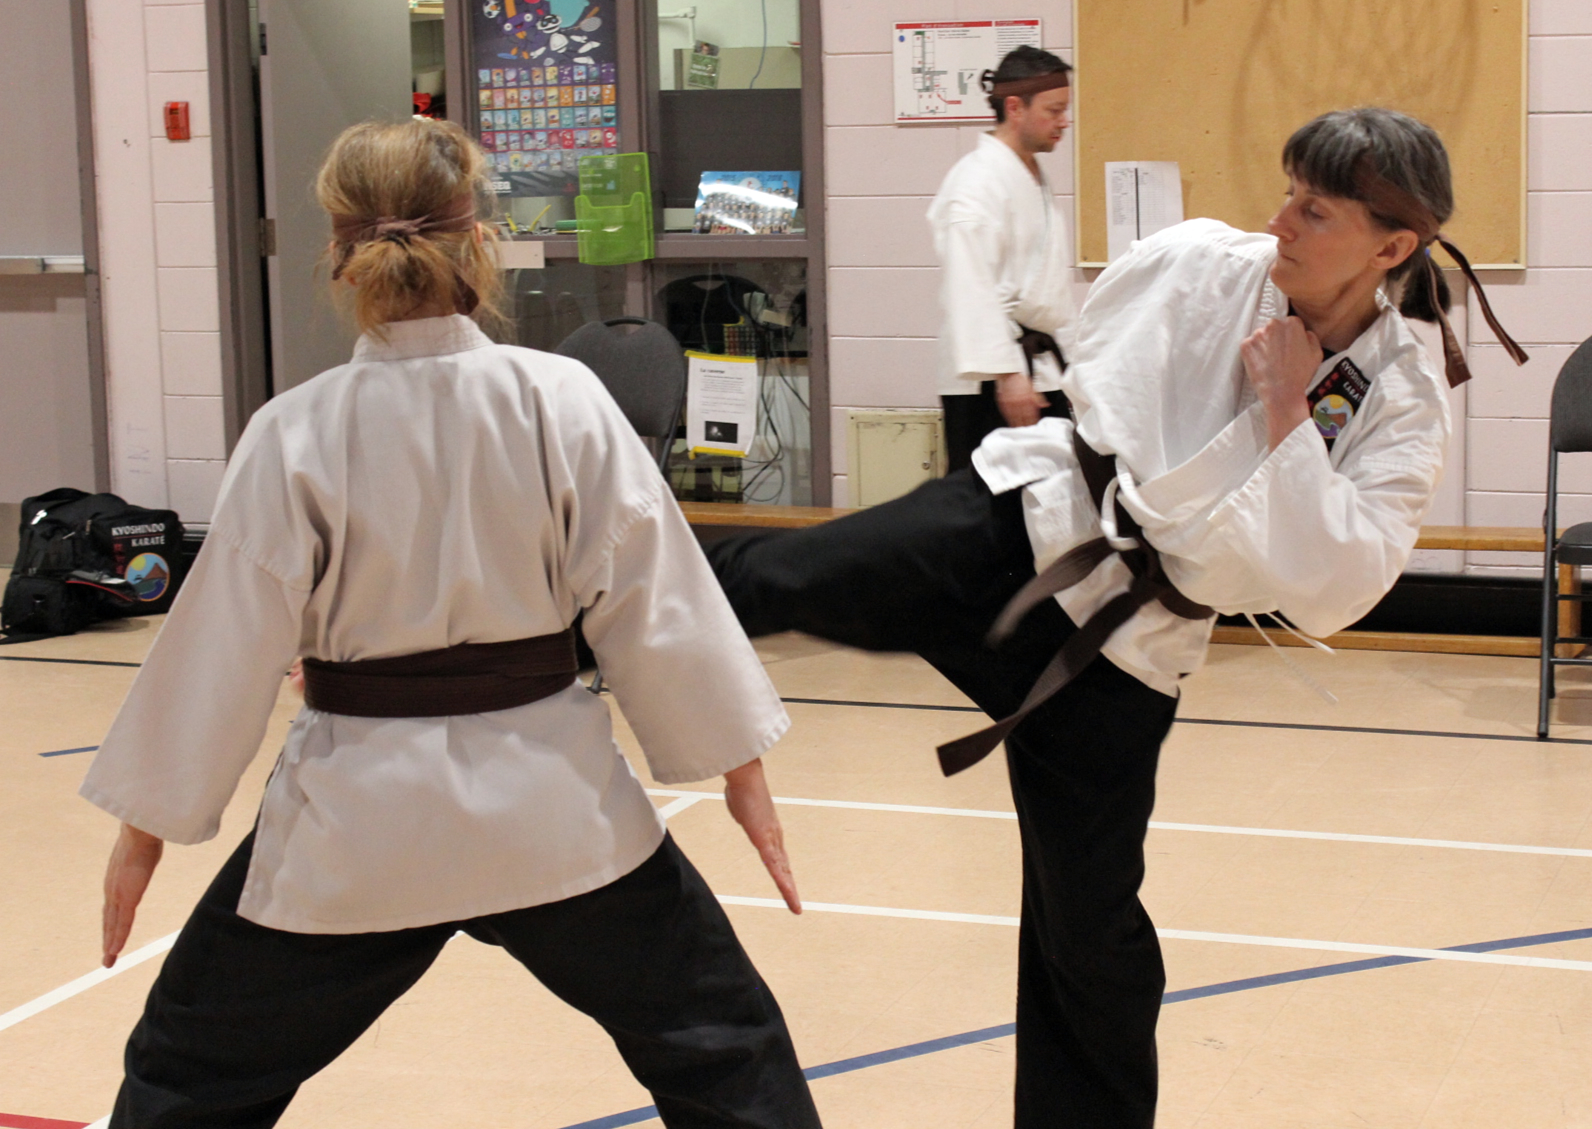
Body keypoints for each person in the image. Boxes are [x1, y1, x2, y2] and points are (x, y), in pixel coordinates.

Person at [709, 107, 1526, 1127]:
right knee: (774, 578)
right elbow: (1101, 364)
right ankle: (559, 613)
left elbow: (1339, 584)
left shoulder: (1399, 392)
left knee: (1088, 932)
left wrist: (1287, 418)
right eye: (1287, 192)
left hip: (1125, 646)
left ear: (1390, 248)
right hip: (1019, 531)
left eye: (1314, 211)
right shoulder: (1203, 262)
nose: (1280, 220)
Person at [81, 119, 822, 1129]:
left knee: (189, 1073)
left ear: (338, 253)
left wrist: (144, 830)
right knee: (727, 1051)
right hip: (554, 810)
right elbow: (656, 599)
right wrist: (740, 770)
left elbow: (222, 644)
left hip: (357, 823)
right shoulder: (559, 398)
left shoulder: (295, 430)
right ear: (481, 240)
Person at [929, 45, 1079, 474]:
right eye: (1054, 110)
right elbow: (969, 283)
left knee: (1049, 498)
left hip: (1038, 369)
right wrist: (1008, 374)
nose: (1064, 121)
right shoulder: (976, 181)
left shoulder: (1028, 174)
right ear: (1015, 108)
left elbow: (1048, 294)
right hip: (992, 379)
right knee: (988, 500)